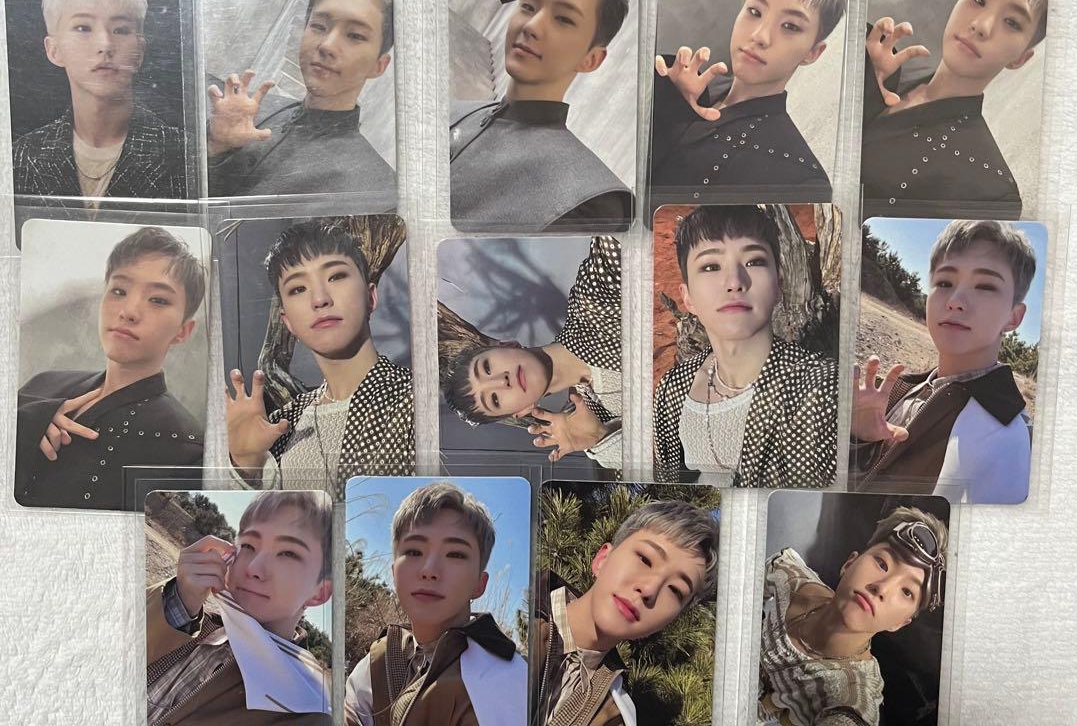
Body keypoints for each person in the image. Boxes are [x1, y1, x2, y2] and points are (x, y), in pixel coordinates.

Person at [15, 226, 205, 509]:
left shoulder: (189, 449)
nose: (128, 311)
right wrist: (25, 424)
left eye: (157, 300)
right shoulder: (41, 385)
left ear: (183, 331)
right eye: (119, 291)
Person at [449, 0, 632, 232]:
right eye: (528, 6)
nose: (532, 26)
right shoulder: (451, 114)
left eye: (563, 19)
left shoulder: (592, 199)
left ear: (591, 59)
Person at [226, 218, 414, 503]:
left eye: (336, 276)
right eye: (298, 289)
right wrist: (245, 463)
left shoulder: (413, 400)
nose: (320, 299)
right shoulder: (281, 424)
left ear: (371, 297)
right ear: (288, 322)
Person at [851, 219, 1035, 504]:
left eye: (985, 286)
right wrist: (858, 439)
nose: (956, 300)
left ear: (1014, 317)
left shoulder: (1006, 437)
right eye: (945, 282)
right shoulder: (903, 388)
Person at [147, 490, 333, 726]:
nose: (254, 568)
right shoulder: (190, 620)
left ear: (319, 592)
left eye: (288, 553)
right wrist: (176, 602)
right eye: (248, 545)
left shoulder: (307, 725)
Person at [653, 205, 837, 487]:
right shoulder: (672, 388)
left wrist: (863, 446)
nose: (735, 282)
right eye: (711, 266)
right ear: (687, 298)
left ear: (779, 285)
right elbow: (668, 489)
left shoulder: (824, 388)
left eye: (754, 261)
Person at [861, 0, 1050, 218]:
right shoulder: (875, 66)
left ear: (1020, 58)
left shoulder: (989, 191)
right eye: (979, 0)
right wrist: (865, 85)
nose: (981, 25)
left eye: (1012, 22)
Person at [650, 0, 847, 206]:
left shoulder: (801, 182)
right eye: (755, 12)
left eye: (790, 26)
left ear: (813, 52)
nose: (760, 36)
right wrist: (667, 99)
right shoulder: (688, 88)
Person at [343, 482, 527, 726]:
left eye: (455, 554)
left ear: (480, 584)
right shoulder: (377, 662)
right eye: (414, 552)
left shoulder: (503, 679)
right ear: (394, 573)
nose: (429, 570)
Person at [758, 505, 947, 726]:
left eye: (907, 592)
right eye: (882, 563)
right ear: (849, 563)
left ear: (900, 623)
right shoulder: (787, 573)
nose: (882, 588)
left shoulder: (853, 698)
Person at [533, 498, 718, 726]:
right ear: (602, 559)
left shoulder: (614, 725)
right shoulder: (503, 610)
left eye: (676, 590)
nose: (650, 589)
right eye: (645, 559)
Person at [206, 0, 396, 206]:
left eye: (355, 35)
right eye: (319, 26)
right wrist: (218, 147)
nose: (327, 45)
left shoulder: (373, 186)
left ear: (379, 65)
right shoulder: (253, 111)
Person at [440, 236, 622, 471]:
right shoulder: (596, 422)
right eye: (494, 399)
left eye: (487, 368)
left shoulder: (594, 294)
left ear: (506, 345)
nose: (501, 381)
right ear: (520, 412)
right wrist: (599, 437)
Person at [11, 0, 187, 206]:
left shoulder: (184, 153)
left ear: (140, 50)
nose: (105, 44)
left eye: (121, 30)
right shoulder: (20, 157)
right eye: (83, 28)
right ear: (54, 50)